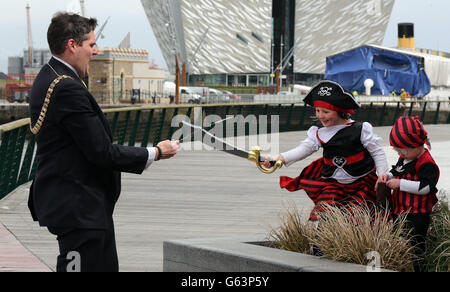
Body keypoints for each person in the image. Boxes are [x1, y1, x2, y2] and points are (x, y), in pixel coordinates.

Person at [28, 12, 178, 272]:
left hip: (76, 205)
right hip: (79, 208)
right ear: (72, 45)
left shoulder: (48, 76)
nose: (95, 51)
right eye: (91, 44)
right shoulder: (67, 87)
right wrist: (155, 152)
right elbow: (102, 152)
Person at [263, 80, 389, 221]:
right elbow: (303, 149)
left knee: (357, 218)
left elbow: (377, 152)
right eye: (317, 110)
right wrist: (279, 157)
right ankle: (322, 243)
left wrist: (382, 174)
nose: (320, 116)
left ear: (341, 111)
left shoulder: (361, 129)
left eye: (326, 111)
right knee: (325, 214)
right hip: (334, 184)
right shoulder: (319, 133)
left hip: (362, 182)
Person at [376, 116, 439, 272]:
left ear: (418, 145)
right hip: (400, 209)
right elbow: (396, 170)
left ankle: (418, 267)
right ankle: (401, 265)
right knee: (399, 237)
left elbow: (426, 187)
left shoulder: (426, 163)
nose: (401, 154)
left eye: (403, 150)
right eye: (397, 151)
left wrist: (400, 184)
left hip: (418, 213)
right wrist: (387, 176)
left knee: (416, 243)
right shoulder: (405, 157)